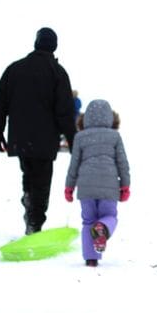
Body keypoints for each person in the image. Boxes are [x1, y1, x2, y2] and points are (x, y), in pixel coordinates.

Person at [0, 27, 76, 235]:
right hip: (45, 139)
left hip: (20, 138)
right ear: (54, 46)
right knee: (41, 181)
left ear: (36, 43)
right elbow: (64, 111)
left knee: (29, 173)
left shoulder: (15, 69)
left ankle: (30, 204)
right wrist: (75, 142)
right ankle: (35, 222)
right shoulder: (57, 73)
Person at [64, 99, 131, 267]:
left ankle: (91, 259)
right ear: (111, 118)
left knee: (88, 221)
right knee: (109, 217)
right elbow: (122, 163)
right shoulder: (115, 136)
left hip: (85, 187)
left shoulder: (80, 137)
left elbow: (74, 164)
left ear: (85, 118)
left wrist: (69, 187)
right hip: (109, 187)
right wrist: (125, 185)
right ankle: (102, 227)